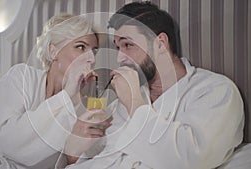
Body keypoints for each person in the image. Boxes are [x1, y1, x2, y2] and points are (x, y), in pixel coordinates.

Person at [56, 2, 245, 169]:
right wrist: (74, 152)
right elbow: (102, 153)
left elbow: (191, 160)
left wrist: (135, 104)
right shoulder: (124, 101)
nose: (120, 58)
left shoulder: (215, 91)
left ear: (160, 43)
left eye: (128, 45)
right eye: (117, 47)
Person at [0, 14, 112, 169]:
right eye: (81, 47)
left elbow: (74, 159)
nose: (91, 58)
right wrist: (66, 94)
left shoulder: (82, 111)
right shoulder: (21, 77)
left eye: (94, 51)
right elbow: (6, 141)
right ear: (53, 51)